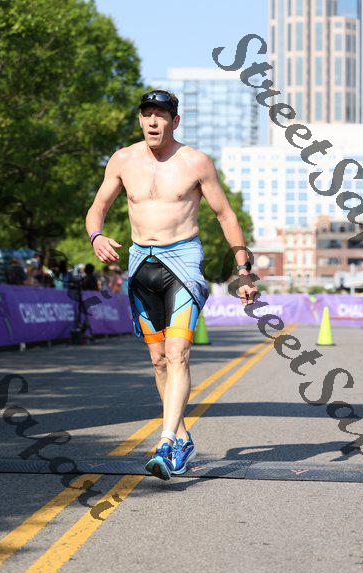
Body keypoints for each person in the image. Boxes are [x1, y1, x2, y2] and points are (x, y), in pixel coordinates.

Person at [85, 89, 258, 480]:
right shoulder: (122, 160)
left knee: (178, 352)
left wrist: (244, 270)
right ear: (139, 119)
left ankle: (165, 442)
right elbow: (97, 209)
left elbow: (225, 215)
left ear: (174, 121)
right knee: (159, 359)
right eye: (146, 113)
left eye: (160, 114)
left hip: (183, 262)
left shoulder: (196, 162)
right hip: (140, 264)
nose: (152, 121)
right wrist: (96, 237)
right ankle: (181, 436)